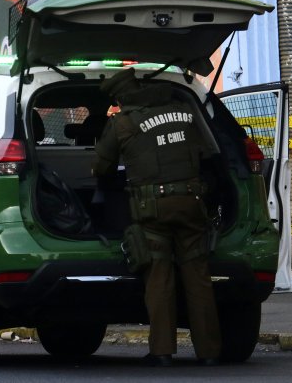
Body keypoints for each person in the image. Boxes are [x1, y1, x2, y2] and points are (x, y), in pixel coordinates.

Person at [92, 67, 220, 367]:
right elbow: (208, 154)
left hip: (154, 211)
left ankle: (162, 351)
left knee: (159, 279)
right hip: (192, 204)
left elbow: (101, 168)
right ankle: (210, 352)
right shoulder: (185, 110)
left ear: (121, 97)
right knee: (198, 278)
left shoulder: (122, 124)